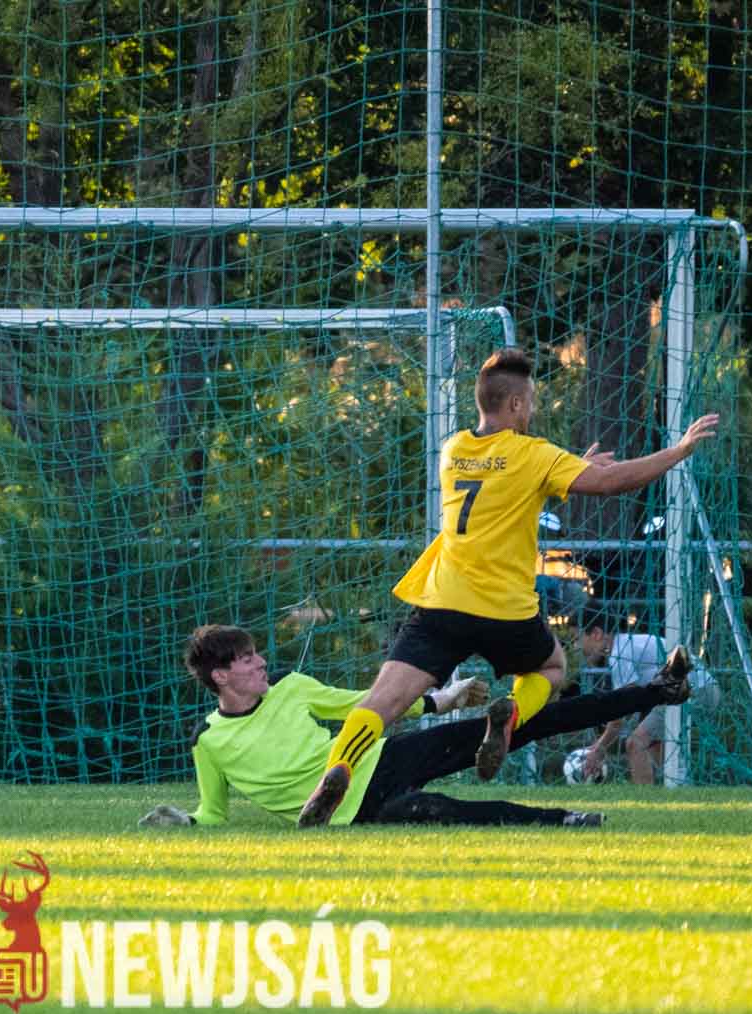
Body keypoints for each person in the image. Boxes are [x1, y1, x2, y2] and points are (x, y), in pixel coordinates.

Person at [297, 346, 718, 827]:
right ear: (516, 404)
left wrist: (568, 467)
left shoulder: (454, 450)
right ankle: (510, 715)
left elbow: (508, 489)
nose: (532, 410)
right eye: (531, 401)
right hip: (504, 609)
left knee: (381, 702)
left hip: (442, 602)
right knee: (553, 667)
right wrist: (678, 451)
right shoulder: (533, 454)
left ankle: (338, 770)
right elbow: (608, 483)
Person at [140, 624, 693, 829]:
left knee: (521, 724)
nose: (261, 663)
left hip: (378, 759)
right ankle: (565, 819)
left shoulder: (292, 687)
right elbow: (213, 812)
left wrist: (439, 701)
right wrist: (184, 820)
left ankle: (658, 689)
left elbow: (369, 704)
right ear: (220, 676)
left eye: (257, 654)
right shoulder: (208, 742)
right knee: (442, 812)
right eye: (247, 660)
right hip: (353, 812)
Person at [575, 600, 714, 784]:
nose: (577, 647)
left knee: (635, 743)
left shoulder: (620, 654)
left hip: (695, 690)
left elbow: (620, 712)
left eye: (578, 639)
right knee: (652, 744)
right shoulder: (628, 644)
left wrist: (599, 748)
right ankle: (678, 788)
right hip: (702, 687)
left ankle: (647, 798)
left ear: (596, 634)